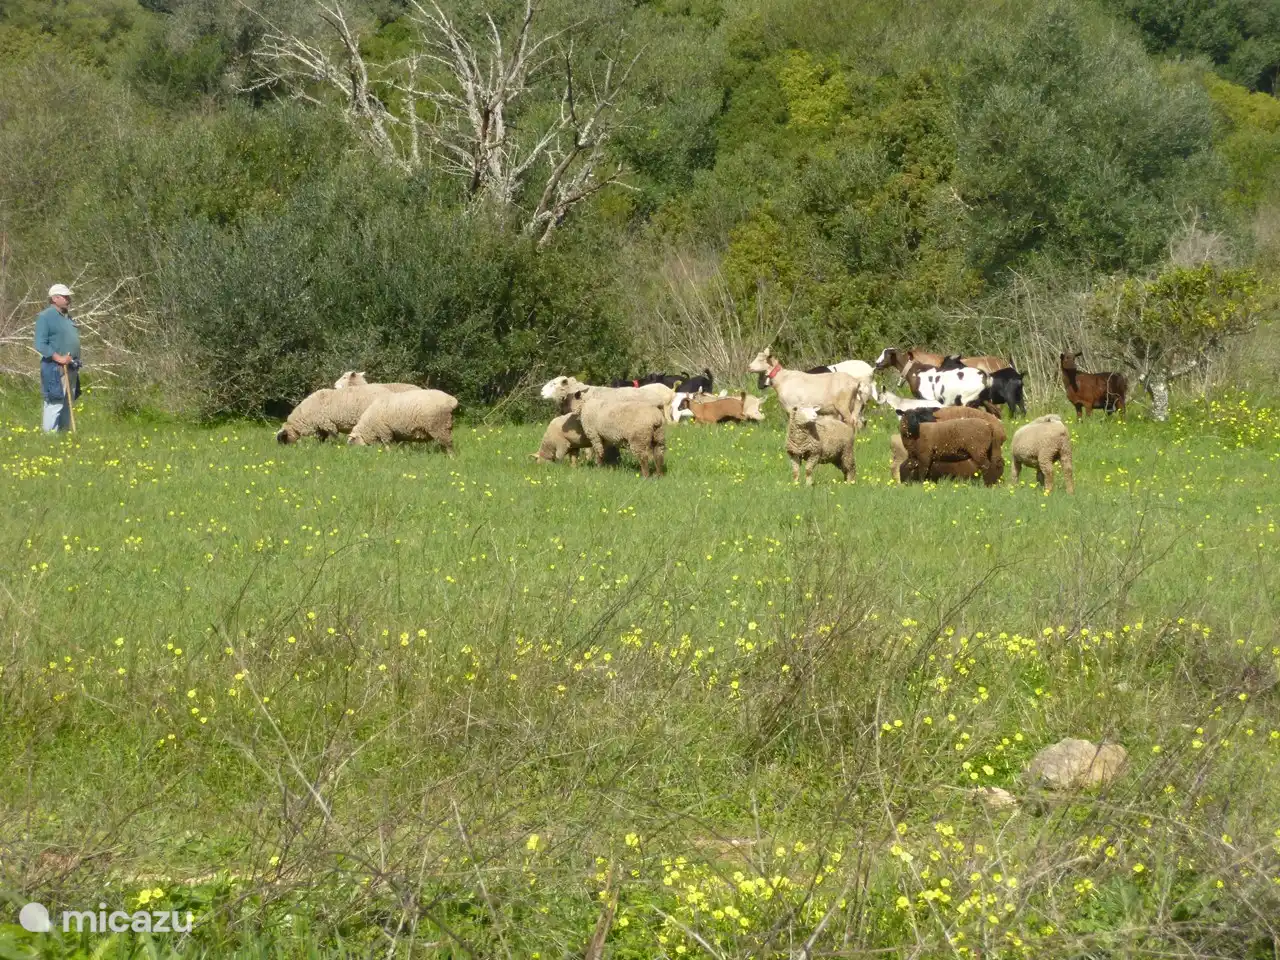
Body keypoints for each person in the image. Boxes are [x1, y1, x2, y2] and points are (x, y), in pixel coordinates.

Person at [34, 283, 81, 433]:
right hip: (55, 368)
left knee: (68, 402)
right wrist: (59, 358)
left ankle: (63, 435)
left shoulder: (68, 318)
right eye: (65, 297)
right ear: (55, 298)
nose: (69, 299)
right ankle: (49, 437)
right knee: (54, 402)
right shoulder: (45, 317)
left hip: (71, 366)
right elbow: (40, 344)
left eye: (69, 296)